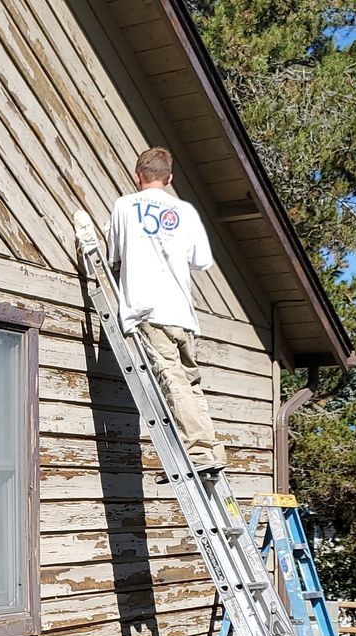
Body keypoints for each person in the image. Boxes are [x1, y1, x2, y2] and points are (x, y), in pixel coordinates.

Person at [106, 146, 226, 472]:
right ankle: (211, 451)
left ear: (137, 175)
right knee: (190, 383)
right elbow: (201, 260)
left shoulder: (125, 206)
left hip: (149, 311)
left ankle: (199, 454)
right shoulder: (184, 211)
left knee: (173, 383)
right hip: (182, 315)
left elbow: (113, 254)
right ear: (169, 178)